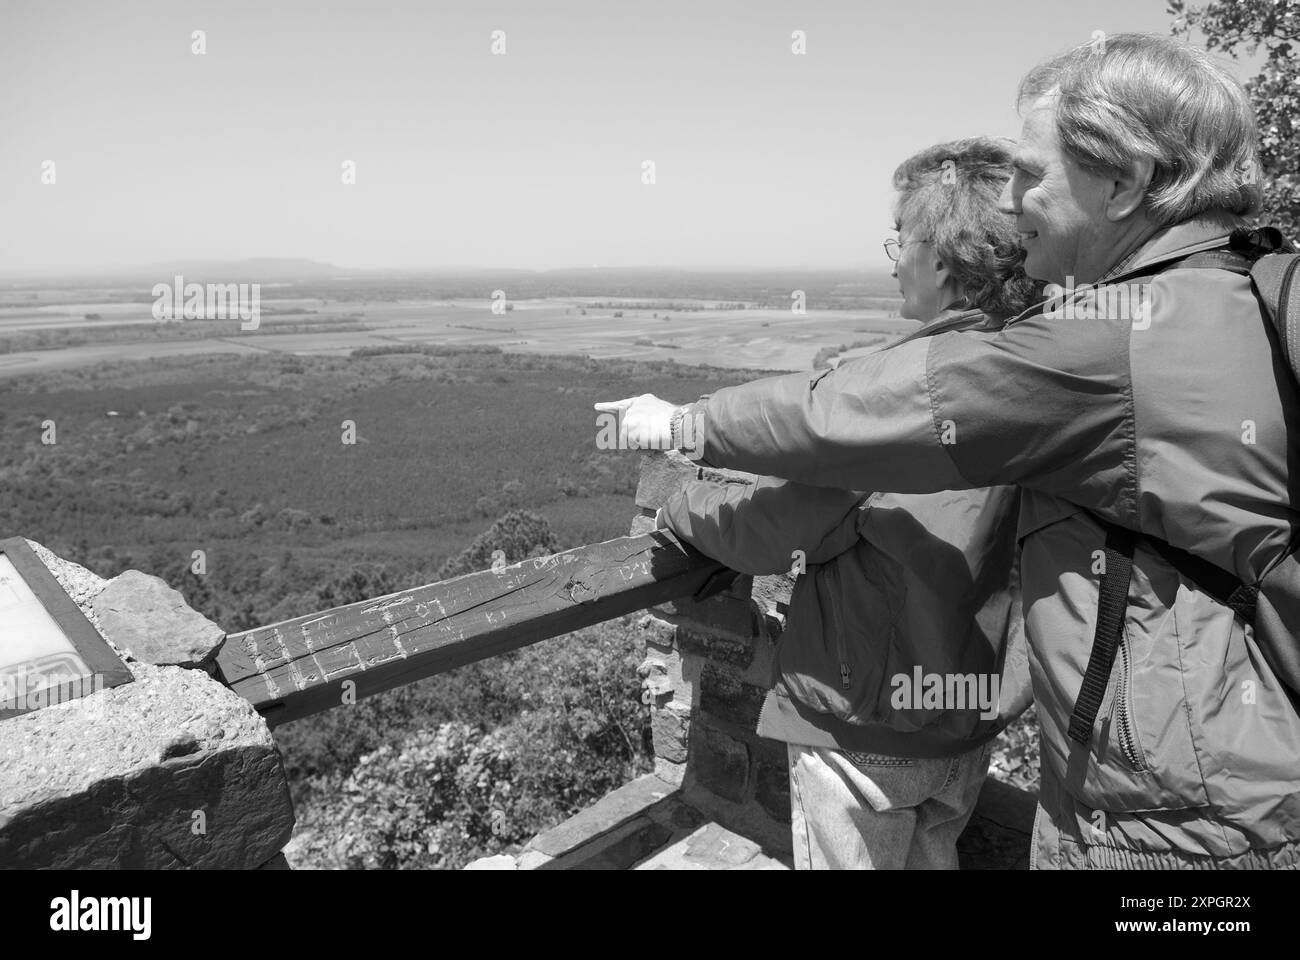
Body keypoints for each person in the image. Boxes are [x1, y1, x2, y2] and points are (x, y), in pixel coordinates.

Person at [597, 33, 1300, 869]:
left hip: (1172, 817)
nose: (1017, 198)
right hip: (1226, 767)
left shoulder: (1109, 343)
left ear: (1124, 182)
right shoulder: (1253, 286)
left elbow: (847, 423)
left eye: (1034, 174)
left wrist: (677, 431)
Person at [652, 138, 1037, 869]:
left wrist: (681, 509)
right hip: (966, 720)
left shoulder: (892, 400)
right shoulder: (1032, 377)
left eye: (902, 237)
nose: (892, 256)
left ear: (944, 259)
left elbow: (776, 532)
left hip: (866, 725)